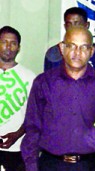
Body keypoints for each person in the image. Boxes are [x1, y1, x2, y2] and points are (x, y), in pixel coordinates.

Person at [21, 26, 95, 171]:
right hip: (51, 164)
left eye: (84, 47)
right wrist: (31, 167)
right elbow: (33, 128)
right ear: (62, 48)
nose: (77, 53)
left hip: (91, 165)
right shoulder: (44, 82)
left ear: (91, 51)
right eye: (72, 46)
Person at [44, 7, 95, 81]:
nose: (73, 28)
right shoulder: (53, 52)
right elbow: (47, 83)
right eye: (69, 24)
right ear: (65, 26)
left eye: (77, 24)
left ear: (86, 25)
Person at [0, 26, 36, 171]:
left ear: (18, 48)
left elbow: (34, 114)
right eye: (4, 42)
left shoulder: (30, 77)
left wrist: (18, 134)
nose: (8, 47)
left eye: (13, 43)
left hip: (17, 148)